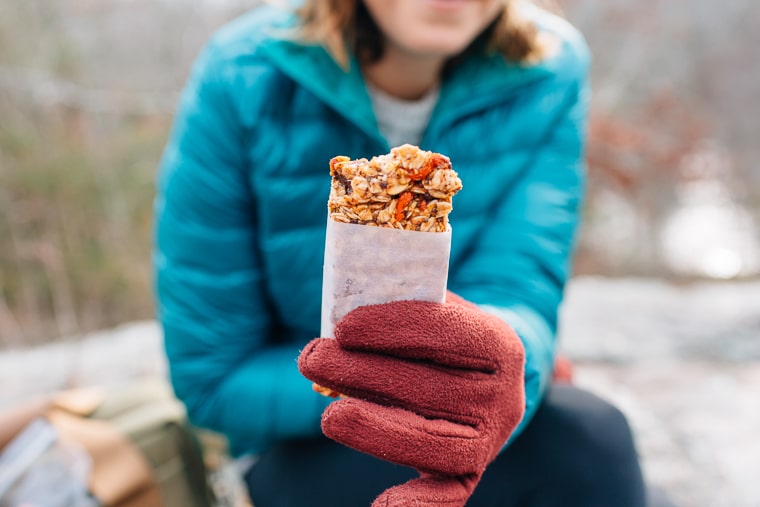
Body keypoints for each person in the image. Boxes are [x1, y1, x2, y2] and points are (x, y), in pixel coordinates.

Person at [153, 1, 648, 506]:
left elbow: (517, 290)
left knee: (594, 441)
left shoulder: (548, 67)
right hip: (301, 438)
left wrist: (501, 372)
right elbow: (214, 380)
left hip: (457, 421)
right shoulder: (243, 75)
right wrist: (404, 385)